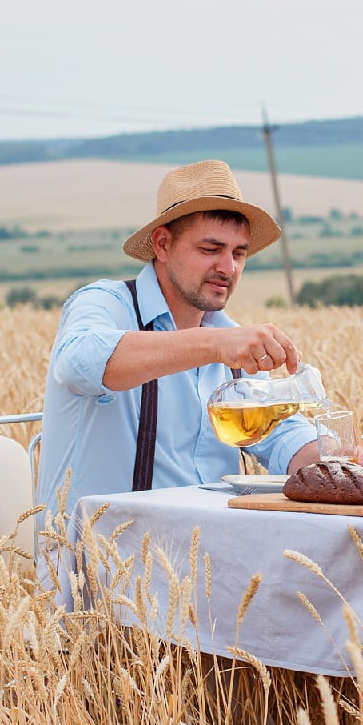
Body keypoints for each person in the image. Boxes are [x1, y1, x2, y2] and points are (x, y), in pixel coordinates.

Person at [36, 160, 324, 540]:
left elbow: (282, 433)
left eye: (239, 254)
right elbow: (79, 362)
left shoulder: (229, 336)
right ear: (162, 244)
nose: (228, 267)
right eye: (211, 249)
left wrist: (334, 457)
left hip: (210, 555)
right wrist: (215, 345)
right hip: (106, 560)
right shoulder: (106, 303)